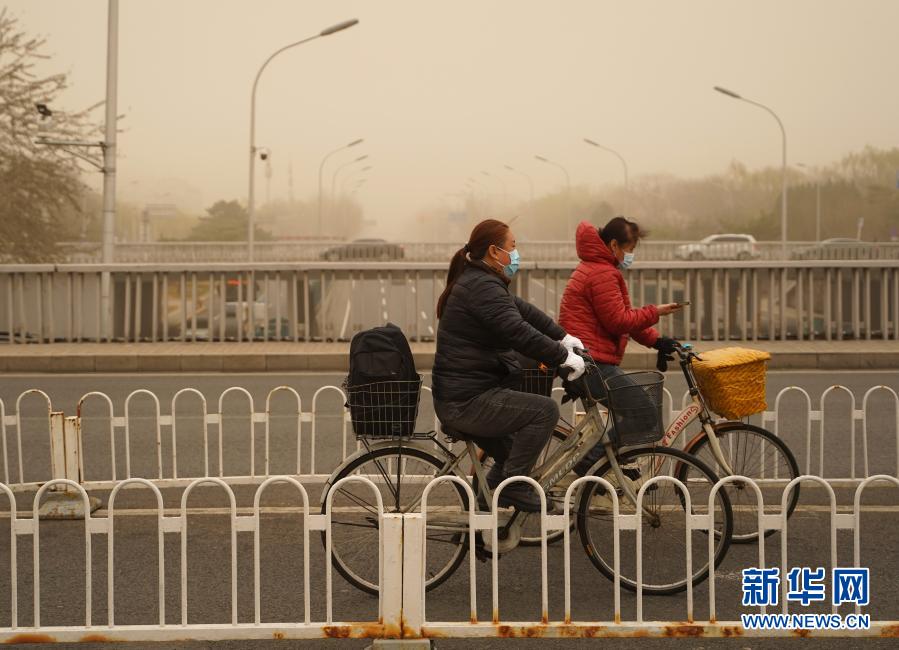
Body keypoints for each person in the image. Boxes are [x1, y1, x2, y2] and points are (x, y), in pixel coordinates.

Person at [432, 219, 586, 512]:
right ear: (494, 251)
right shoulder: (482, 286)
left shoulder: (481, 281)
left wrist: (563, 337)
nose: (515, 254)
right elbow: (518, 331)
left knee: (512, 451)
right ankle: (515, 488)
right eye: (512, 247)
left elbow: (524, 312)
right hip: (466, 400)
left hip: (465, 392)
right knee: (545, 411)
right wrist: (562, 357)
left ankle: (484, 510)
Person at [559, 216, 682, 474]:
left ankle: (599, 467)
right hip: (592, 363)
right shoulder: (602, 273)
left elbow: (620, 317)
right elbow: (619, 321)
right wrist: (655, 311)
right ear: (614, 245)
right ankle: (590, 463)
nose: (630, 255)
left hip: (586, 360)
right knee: (645, 414)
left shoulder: (596, 267)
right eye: (630, 249)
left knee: (634, 414)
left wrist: (656, 341)